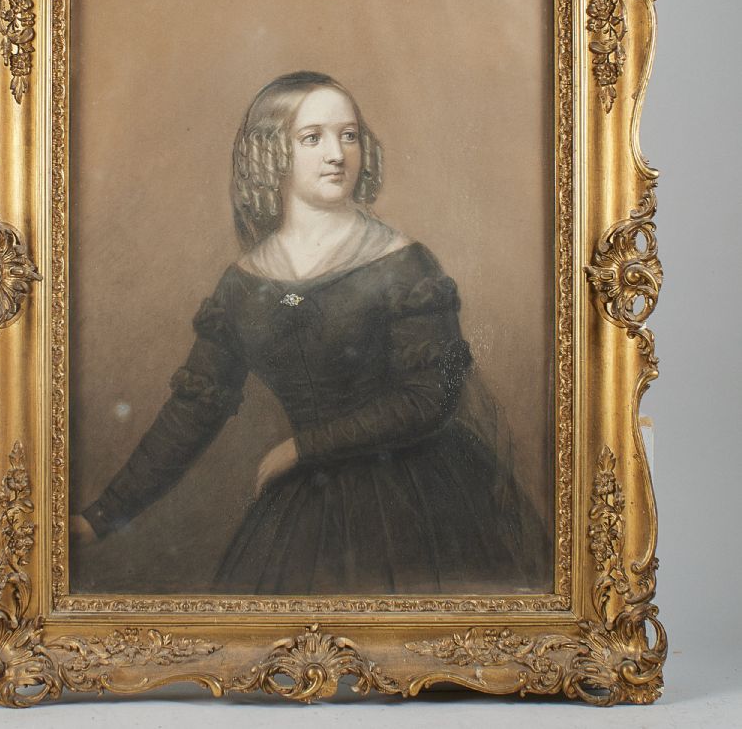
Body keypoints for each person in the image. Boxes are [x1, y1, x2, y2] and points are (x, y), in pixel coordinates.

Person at [70, 71, 550, 594]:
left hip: (417, 496)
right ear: (270, 154)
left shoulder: (405, 264)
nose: (337, 154)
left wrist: (302, 449)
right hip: (308, 504)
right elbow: (192, 412)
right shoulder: (242, 284)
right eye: (312, 138)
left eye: (349, 135)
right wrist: (101, 517)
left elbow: (433, 397)